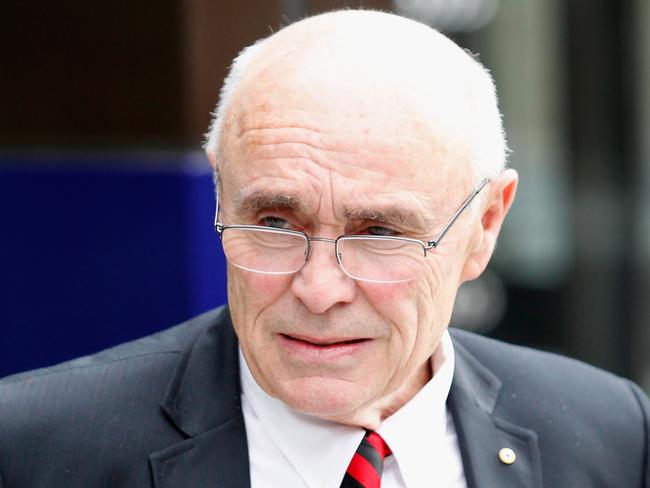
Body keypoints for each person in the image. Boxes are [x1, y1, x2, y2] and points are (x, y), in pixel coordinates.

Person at [0, 9, 648, 488]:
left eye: (380, 233)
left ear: (484, 228)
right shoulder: (33, 451)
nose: (319, 289)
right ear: (220, 197)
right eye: (276, 222)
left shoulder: (611, 438)